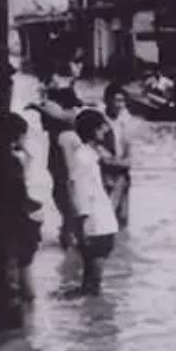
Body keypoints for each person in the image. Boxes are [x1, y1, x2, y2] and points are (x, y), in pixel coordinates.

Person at [27, 60, 83, 247]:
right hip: (58, 157)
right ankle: (69, 232)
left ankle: (69, 233)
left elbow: (62, 116)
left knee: (65, 195)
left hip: (62, 157)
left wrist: (40, 107)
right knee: (63, 194)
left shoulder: (65, 127)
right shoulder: (63, 126)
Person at [69, 110, 120, 296]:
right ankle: (94, 319)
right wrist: (81, 229)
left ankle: (90, 318)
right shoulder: (83, 158)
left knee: (92, 281)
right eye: (102, 127)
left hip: (99, 223)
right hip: (95, 225)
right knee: (93, 283)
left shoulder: (89, 155)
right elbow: (80, 193)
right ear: (94, 130)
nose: (106, 130)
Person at [2, 112, 42, 301]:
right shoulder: (13, 161)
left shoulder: (2, 158)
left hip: (8, 218)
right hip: (17, 219)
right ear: (18, 135)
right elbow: (20, 191)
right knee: (22, 268)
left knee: (17, 268)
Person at [100, 83, 134, 228]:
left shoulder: (125, 121)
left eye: (123, 101)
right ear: (107, 100)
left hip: (122, 174)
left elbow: (129, 148)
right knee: (106, 217)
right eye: (117, 101)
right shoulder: (100, 121)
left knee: (122, 220)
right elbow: (98, 152)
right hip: (105, 175)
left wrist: (126, 163)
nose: (120, 105)